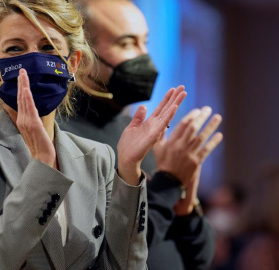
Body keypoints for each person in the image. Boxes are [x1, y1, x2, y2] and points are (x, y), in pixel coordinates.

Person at [0, 0, 187, 269]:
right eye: (15, 48)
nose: (34, 60)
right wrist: (44, 166)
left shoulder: (98, 158)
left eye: (48, 47)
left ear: (73, 63)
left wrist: (128, 170)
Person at [58, 0, 221, 269]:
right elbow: (106, 254)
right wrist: (169, 183)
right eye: (126, 43)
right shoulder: (59, 139)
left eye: (144, 42)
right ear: (80, 56)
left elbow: (200, 258)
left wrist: (185, 207)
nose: (144, 57)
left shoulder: (138, 131)